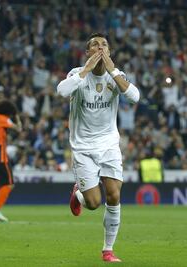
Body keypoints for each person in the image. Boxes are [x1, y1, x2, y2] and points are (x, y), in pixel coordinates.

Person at [57, 33, 140, 262]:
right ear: (88, 52)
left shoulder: (116, 76)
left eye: (104, 45)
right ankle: (79, 195)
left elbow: (135, 97)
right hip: (83, 147)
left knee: (114, 195)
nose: (100, 48)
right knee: (93, 203)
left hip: (109, 144)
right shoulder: (77, 74)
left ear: (110, 52)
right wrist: (85, 70)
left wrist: (113, 71)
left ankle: (108, 250)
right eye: (95, 45)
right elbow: (62, 91)